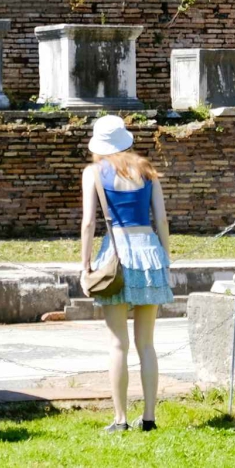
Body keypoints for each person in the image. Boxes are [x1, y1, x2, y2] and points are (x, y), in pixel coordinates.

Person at [79, 114, 174, 433]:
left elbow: (89, 223)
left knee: (117, 344)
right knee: (146, 343)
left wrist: (85, 266)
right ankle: (149, 418)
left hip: (115, 254)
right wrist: (166, 258)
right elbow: (161, 220)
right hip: (149, 253)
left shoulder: (93, 172)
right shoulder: (147, 170)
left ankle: (120, 419)